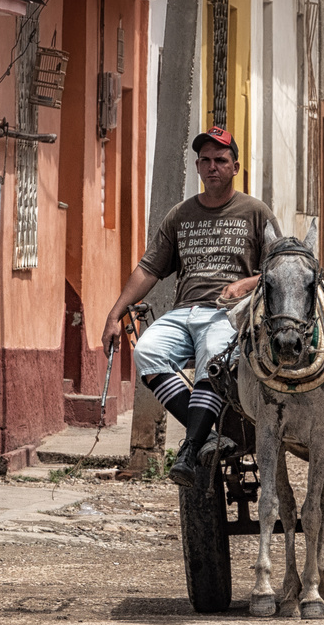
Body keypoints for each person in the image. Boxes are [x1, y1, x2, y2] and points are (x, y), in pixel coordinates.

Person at [102, 126, 278, 488]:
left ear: (235, 167)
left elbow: (283, 268)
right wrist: (114, 313)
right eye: (205, 161)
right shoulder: (181, 215)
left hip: (229, 314)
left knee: (214, 355)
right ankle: (206, 437)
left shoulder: (255, 212)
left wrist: (247, 283)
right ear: (198, 166)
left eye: (221, 160)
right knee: (148, 351)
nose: (212, 166)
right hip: (185, 312)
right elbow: (148, 268)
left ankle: (191, 444)